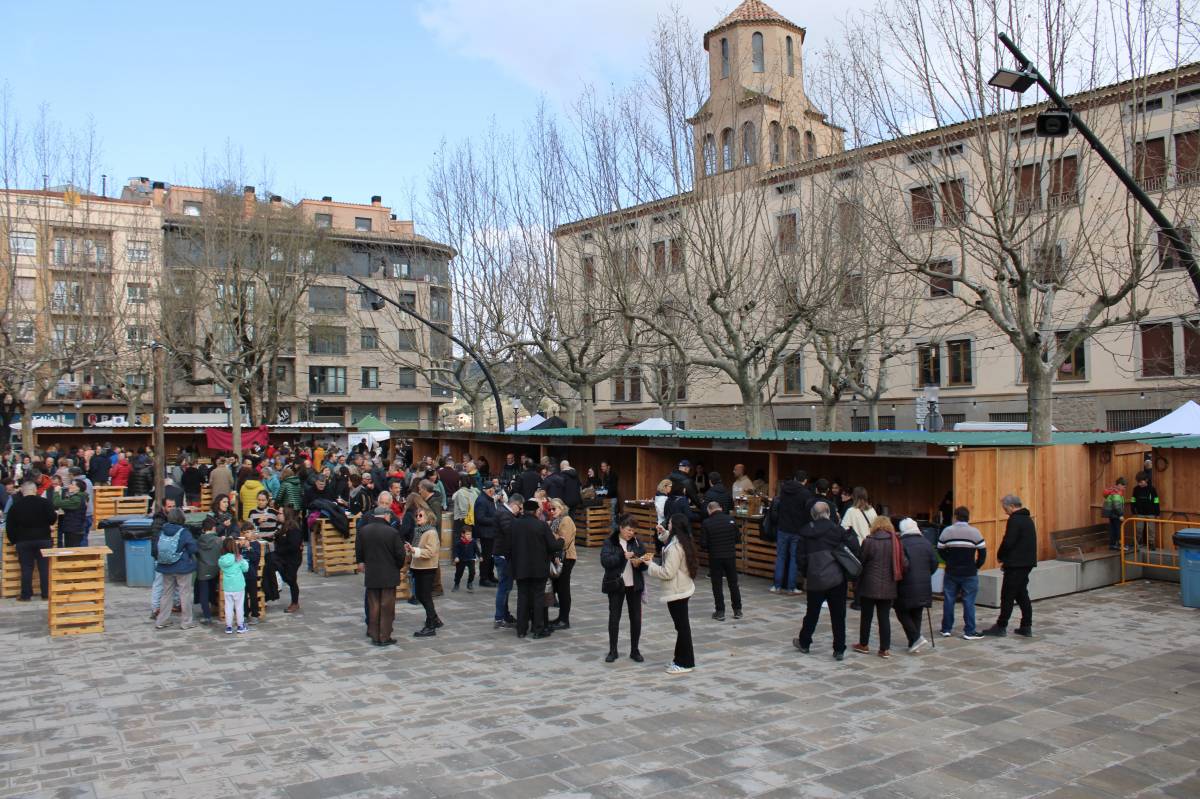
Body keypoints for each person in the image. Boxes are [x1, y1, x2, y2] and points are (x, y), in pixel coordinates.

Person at [793, 501, 861, 660]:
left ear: (813, 515)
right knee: (838, 615)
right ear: (829, 513)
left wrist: (806, 573)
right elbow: (854, 549)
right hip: (836, 578)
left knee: (812, 613)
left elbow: (800, 558)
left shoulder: (805, 532)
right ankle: (839, 649)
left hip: (815, 577)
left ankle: (804, 642)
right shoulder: (837, 530)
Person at [646, 513, 699, 674]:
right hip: (683, 588)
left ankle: (685, 662)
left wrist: (650, 565)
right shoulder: (683, 539)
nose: (667, 524)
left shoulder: (676, 546)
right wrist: (663, 534)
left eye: (669, 523)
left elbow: (668, 572)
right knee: (682, 626)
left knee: (682, 627)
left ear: (674, 526)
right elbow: (672, 540)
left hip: (677, 591)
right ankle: (679, 659)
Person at [982, 495, 1037, 638]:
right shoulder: (1028, 520)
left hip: (1016, 565)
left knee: (1007, 595)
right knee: (1021, 594)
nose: (1004, 511)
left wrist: (1001, 556)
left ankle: (1001, 626)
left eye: (1005, 508)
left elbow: (1008, 541)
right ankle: (1026, 626)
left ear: (1011, 506)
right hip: (1027, 563)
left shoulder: (1015, 520)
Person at [509, 498, 563, 639]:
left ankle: (521, 629)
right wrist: (561, 540)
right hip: (539, 569)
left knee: (522, 598)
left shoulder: (515, 524)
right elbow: (552, 545)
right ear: (536, 511)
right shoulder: (541, 525)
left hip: (520, 568)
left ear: (524, 510)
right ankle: (538, 629)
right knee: (538, 599)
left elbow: (509, 546)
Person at [853, 517, 906, 659]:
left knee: (866, 617)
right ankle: (884, 649)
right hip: (889, 585)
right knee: (884, 618)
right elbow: (904, 563)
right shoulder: (896, 542)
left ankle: (863, 644)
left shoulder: (869, 541)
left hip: (869, 585)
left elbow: (861, 562)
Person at [601, 514, 648, 662]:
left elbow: (644, 563)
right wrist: (622, 556)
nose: (630, 533)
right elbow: (605, 561)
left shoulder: (637, 543)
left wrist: (639, 563)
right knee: (614, 618)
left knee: (636, 619)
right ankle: (613, 650)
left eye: (633, 531)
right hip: (616, 584)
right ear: (620, 528)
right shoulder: (610, 542)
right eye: (628, 530)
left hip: (634, 586)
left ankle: (635, 650)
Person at [356, 507, 406, 646]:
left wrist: (362, 562)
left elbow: (359, 550)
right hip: (389, 574)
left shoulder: (364, 531)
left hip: (372, 574)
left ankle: (374, 634)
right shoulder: (392, 532)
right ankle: (384, 636)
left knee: (374, 606)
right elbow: (400, 554)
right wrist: (397, 566)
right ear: (385, 516)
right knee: (387, 607)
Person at [938, 506, 987, 640]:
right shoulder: (975, 532)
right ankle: (969, 631)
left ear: (955, 516)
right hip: (969, 572)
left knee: (949, 600)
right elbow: (983, 552)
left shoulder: (947, 531)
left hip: (952, 571)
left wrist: (949, 560)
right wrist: (976, 565)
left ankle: (946, 629)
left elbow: (940, 549)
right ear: (968, 517)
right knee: (969, 601)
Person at [5, 481, 56, 601]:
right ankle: (46, 594)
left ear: (22, 491)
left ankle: (26, 595)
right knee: (44, 568)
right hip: (43, 538)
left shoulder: (16, 506)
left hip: (23, 540)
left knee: (26, 568)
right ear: (35, 490)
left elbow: (10, 526)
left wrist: (14, 541)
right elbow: (52, 519)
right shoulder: (45, 503)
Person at [895, 518, 938, 654]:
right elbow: (934, 563)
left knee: (901, 610)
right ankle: (914, 642)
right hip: (924, 583)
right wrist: (926, 574)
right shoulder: (926, 543)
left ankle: (916, 638)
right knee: (917, 612)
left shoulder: (901, 543)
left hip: (906, 583)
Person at [154, 509, 198, 630]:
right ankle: (186, 622)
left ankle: (161, 620)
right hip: (182, 567)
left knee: (166, 593)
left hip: (165, 566)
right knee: (185, 594)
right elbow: (193, 548)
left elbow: (156, 547)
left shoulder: (162, 531)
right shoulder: (183, 532)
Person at [770, 471, 812, 594]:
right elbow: (807, 511)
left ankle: (776, 586)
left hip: (782, 528)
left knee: (781, 557)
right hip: (797, 530)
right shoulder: (805, 493)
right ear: (804, 481)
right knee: (794, 558)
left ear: (794, 478)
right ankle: (791, 587)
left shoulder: (784, 490)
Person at [700, 501, 742, 620]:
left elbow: (703, 543)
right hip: (730, 555)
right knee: (733, 583)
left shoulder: (707, 522)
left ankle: (720, 611)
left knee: (717, 585)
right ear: (721, 508)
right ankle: (737, 610)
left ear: (709, 510)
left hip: (715, 557)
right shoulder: (731, 520)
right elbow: (738, 539)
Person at [405, 506, 443, 637]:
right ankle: (435, 619)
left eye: (420, 515)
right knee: (422, 595)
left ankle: (431, 625)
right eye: (417, 515)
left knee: (424, 596)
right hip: (419, 567)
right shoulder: (419, 531)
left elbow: (431, 552)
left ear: (428, 518)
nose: (417, 517)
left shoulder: (430, 532)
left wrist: (415, 550)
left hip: (427, 568)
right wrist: (411, 549)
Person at [492, 493, 521, 629]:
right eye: (519, 508)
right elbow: (510, 532)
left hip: (502, 554)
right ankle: (499, 617)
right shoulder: (505, 514)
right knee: (504, 587)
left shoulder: (504, 512)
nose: (520, 511)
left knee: (506, 587)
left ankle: (505, 614)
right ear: (515, 505)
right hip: (503, 555)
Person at [548, 498, 577, 629]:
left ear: (561, 508)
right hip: (559, 558)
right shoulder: (556, 520)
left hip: (567, 557)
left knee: (564, 589)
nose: (552, 511)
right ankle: (561, 617)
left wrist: (549, 533)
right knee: (559, 588)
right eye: (550, 509)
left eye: (554, 508)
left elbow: (563, 541)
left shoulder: (566, 520)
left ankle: (564, 620)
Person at [275, 507, 305, 613]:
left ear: (286, 514)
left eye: (280, 513)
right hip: (284, 557)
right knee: (289, 579)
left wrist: (279, 550)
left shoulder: (293, 527)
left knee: (291, 580)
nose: (278, 515)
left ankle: (295, 603)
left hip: (293, 559)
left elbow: (294, 545)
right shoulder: (281, 526)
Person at [217, 536, 250, 634]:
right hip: (238, 586)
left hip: (227, 586)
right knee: (239, 606)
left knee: (228, 607)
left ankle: (229, 627)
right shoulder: (238, 558)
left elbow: (223, 568)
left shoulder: (221, 560)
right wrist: (242, 560)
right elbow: (245, 568)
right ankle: (240, 625)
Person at [193, 517, 221, 625]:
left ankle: (207, 616)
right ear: (214, 528)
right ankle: (215, 608)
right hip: (215, 569)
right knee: (213, 590)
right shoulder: (218, 540)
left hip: (202, 571)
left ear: (203, 529)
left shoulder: (198, 541)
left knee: (203, 594)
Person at [473, 483, 499, 587]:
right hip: (486, 533)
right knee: (487, 557)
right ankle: (484, 579)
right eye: (493, 489)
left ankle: (490, 575)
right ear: (489, 490)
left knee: (491, 556)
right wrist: (495, 520)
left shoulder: (488, 499)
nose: (494, 491)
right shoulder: (482, 501)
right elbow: (480, 518)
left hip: (491, 533)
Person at [52, 479, 89, 548]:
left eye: (72, 484)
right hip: (75, 528)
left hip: (73, 529)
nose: (69, 486)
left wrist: (56, 492)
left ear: (78, 488)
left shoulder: (76, 499)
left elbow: (57, 503)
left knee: (71, 550)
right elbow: (67, 508)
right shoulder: (80, 497)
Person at [1131, 471, 1160, 548]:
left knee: (1151, 530)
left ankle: (1151, 544)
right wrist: (1133, 510)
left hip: (1151, 513)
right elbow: (1133, 500)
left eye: (1141, 482)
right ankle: (1138, 543)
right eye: (1138, 482)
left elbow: (1156, 501)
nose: (1139, 484)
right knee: (1139, 529)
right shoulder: (1136, 489)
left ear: (1146, 480)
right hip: (1140, 513)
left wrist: (1157, 513)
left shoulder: (1152, 489)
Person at [1103, 477, 1128, 551]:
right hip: (1116, 515)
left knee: (1113, 529)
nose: (1124, 488)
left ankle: (1112, 544)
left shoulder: (1112, 491)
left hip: (1112, 514)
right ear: (1119, 485)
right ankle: (1120, 545)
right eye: (1124, 486)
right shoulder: (1116, 493)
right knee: (1119, 529)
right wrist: (1120, 515)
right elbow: (1116, 506)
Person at [452, 527, 478, 591]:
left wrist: (480, 556)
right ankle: (456, 584)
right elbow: (455, 551)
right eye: (467, 534)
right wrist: (456, 557)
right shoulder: (459, 542)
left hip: (471, 559)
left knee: (472, 572)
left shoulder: (473, 542)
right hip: (461, 559)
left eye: (470, 534)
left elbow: (477, 549)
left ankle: (470, 583)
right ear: (462, 534)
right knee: (459, 573)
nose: (469, 536)